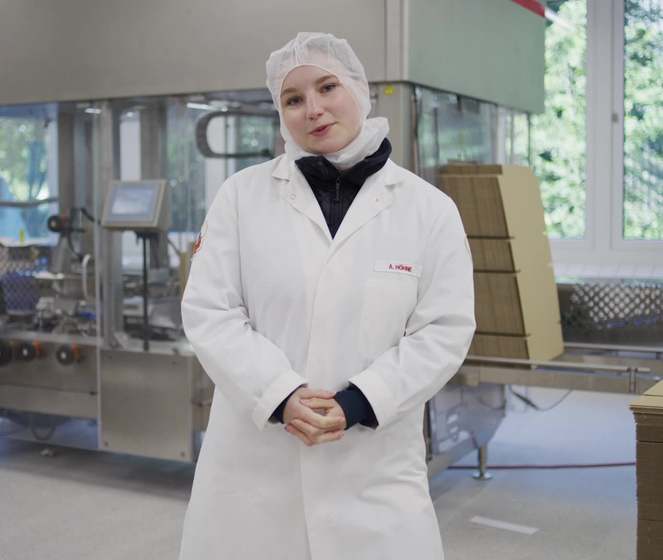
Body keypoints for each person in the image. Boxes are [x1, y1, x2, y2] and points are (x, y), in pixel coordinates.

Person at [179, 32, 475, 560]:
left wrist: (360, 401)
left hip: (373, 466)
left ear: (359, 89)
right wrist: (280, 395)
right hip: (256, 468)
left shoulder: (428, 210)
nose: (312, 108)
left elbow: (444, 331)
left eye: (327, 87)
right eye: (293, 98)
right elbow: (210, 311)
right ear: (281, 114)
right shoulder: (241, 197)